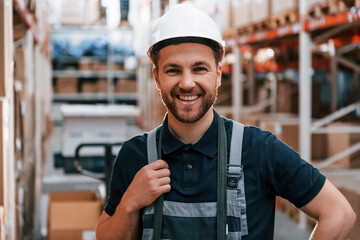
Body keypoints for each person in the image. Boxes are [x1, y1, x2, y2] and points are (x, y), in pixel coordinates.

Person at [96, 3, 356, 240]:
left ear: (218, 74)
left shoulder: (259, 149)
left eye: (200, 68)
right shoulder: (135, 155)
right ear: (156, 78)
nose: (187, 83)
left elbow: (339, 214)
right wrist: (130, 203)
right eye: (173, 70)